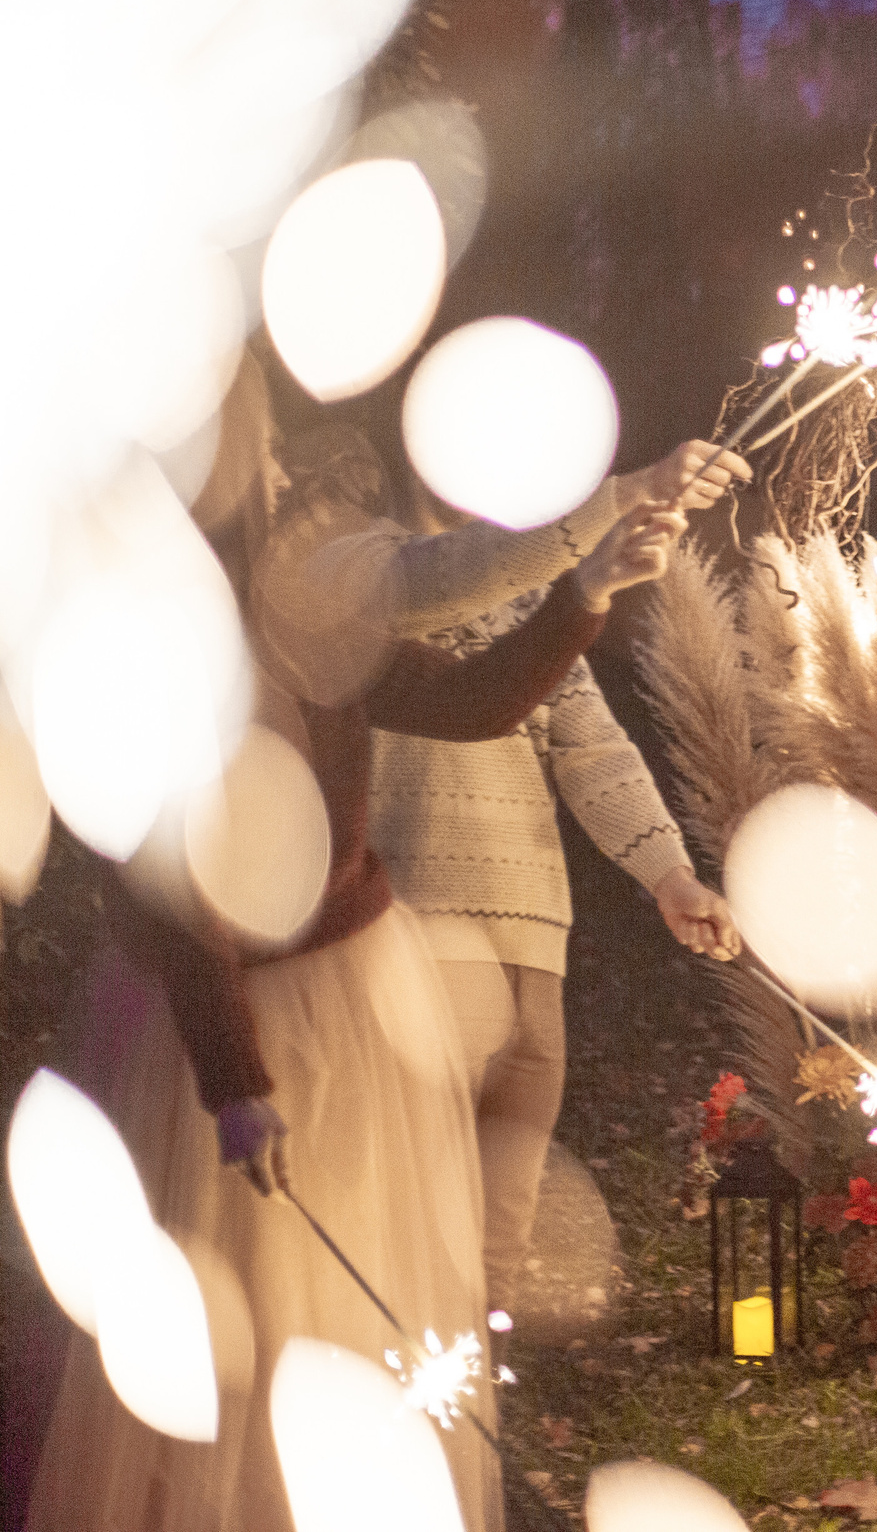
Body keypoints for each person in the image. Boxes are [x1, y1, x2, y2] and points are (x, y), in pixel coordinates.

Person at [29, 376, 688, 1532]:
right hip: (225, 1013)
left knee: (359, 1296)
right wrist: (233, 1080)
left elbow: (473, 698)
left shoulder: (302, 607)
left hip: (349, 983)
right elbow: (178, 889)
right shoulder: (140, 637)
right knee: (246, 1305)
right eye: (251, 448)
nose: (275, 468)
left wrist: (585, 590)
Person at [267, 427, 749, 1350]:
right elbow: (448, 574)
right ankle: (390, 1382)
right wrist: (621, 500)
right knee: (413, 1188)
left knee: (503, 1203)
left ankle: (469, 1400)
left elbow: (589, 741)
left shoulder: (530, 583)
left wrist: (667, 871)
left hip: (535, 921)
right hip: (412, 922)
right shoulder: (353, 571)